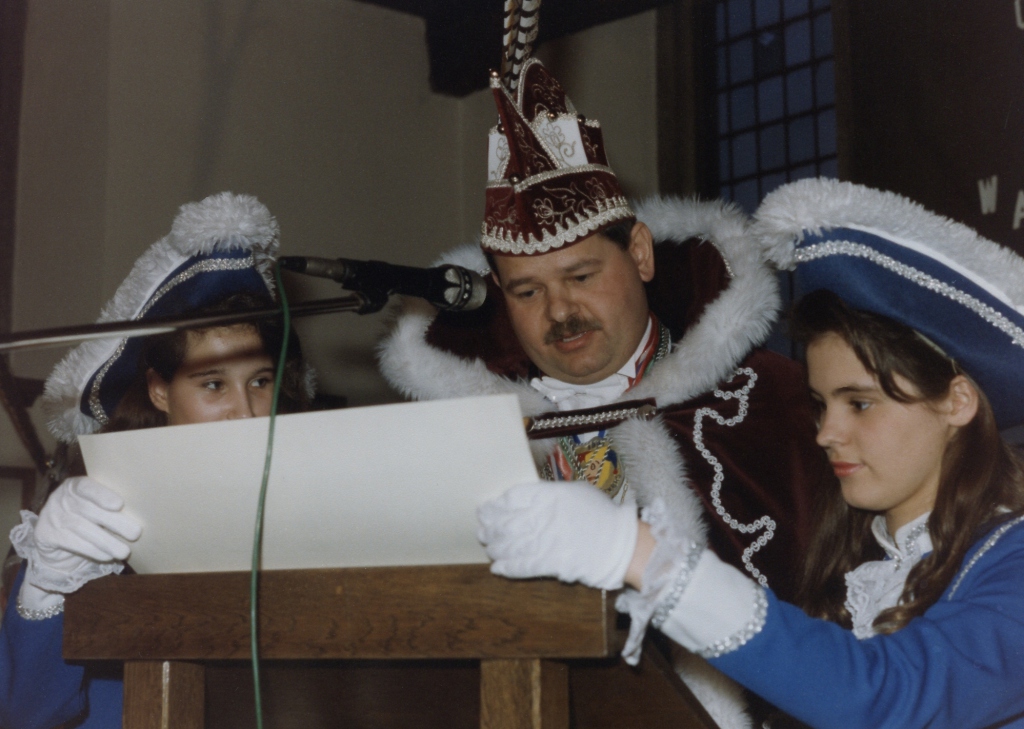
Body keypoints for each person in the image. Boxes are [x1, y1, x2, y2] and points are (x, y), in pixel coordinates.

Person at [377, 16, 830, 727]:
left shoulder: (767, 405)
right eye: (527, 292)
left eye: (582, 276)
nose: (560, 311)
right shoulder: (457, 434)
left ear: (640, 254)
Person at [478, 178, 1024, 729]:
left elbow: (884, 696)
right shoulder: (857, 564)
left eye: (859, 404)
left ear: (956, 402)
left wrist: (643, 556)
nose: (825, 433)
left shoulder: (1013, 558)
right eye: (820, 405)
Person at [0, 191, 312, 729]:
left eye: (261, 381)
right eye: (213, 384)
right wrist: (46, 588)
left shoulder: (309, 497)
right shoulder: (90, 512)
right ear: (160, 390)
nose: (245, 412)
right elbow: (26, 714)